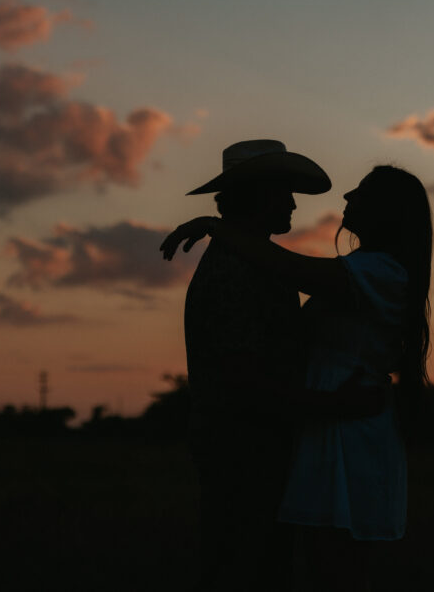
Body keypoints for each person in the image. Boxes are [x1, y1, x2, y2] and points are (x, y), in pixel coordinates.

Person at [162, 164, 433, 592]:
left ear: (383, 211)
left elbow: (288, 267)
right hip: (328, 424)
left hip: (345, 429)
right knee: (314, 566)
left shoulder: (379, 272)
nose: (346, 198)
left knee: (333, 569)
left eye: (360, 193)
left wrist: (218, 226)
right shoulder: (359, 269)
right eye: (285, 192)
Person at [178, 139, 331, 592]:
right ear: (255, 195)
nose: (292, 203)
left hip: (251, 452)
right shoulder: (239, 269)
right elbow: (243, 379)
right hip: (245, 455)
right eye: (283, 191)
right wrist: (333, 405)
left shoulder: (253, 262)